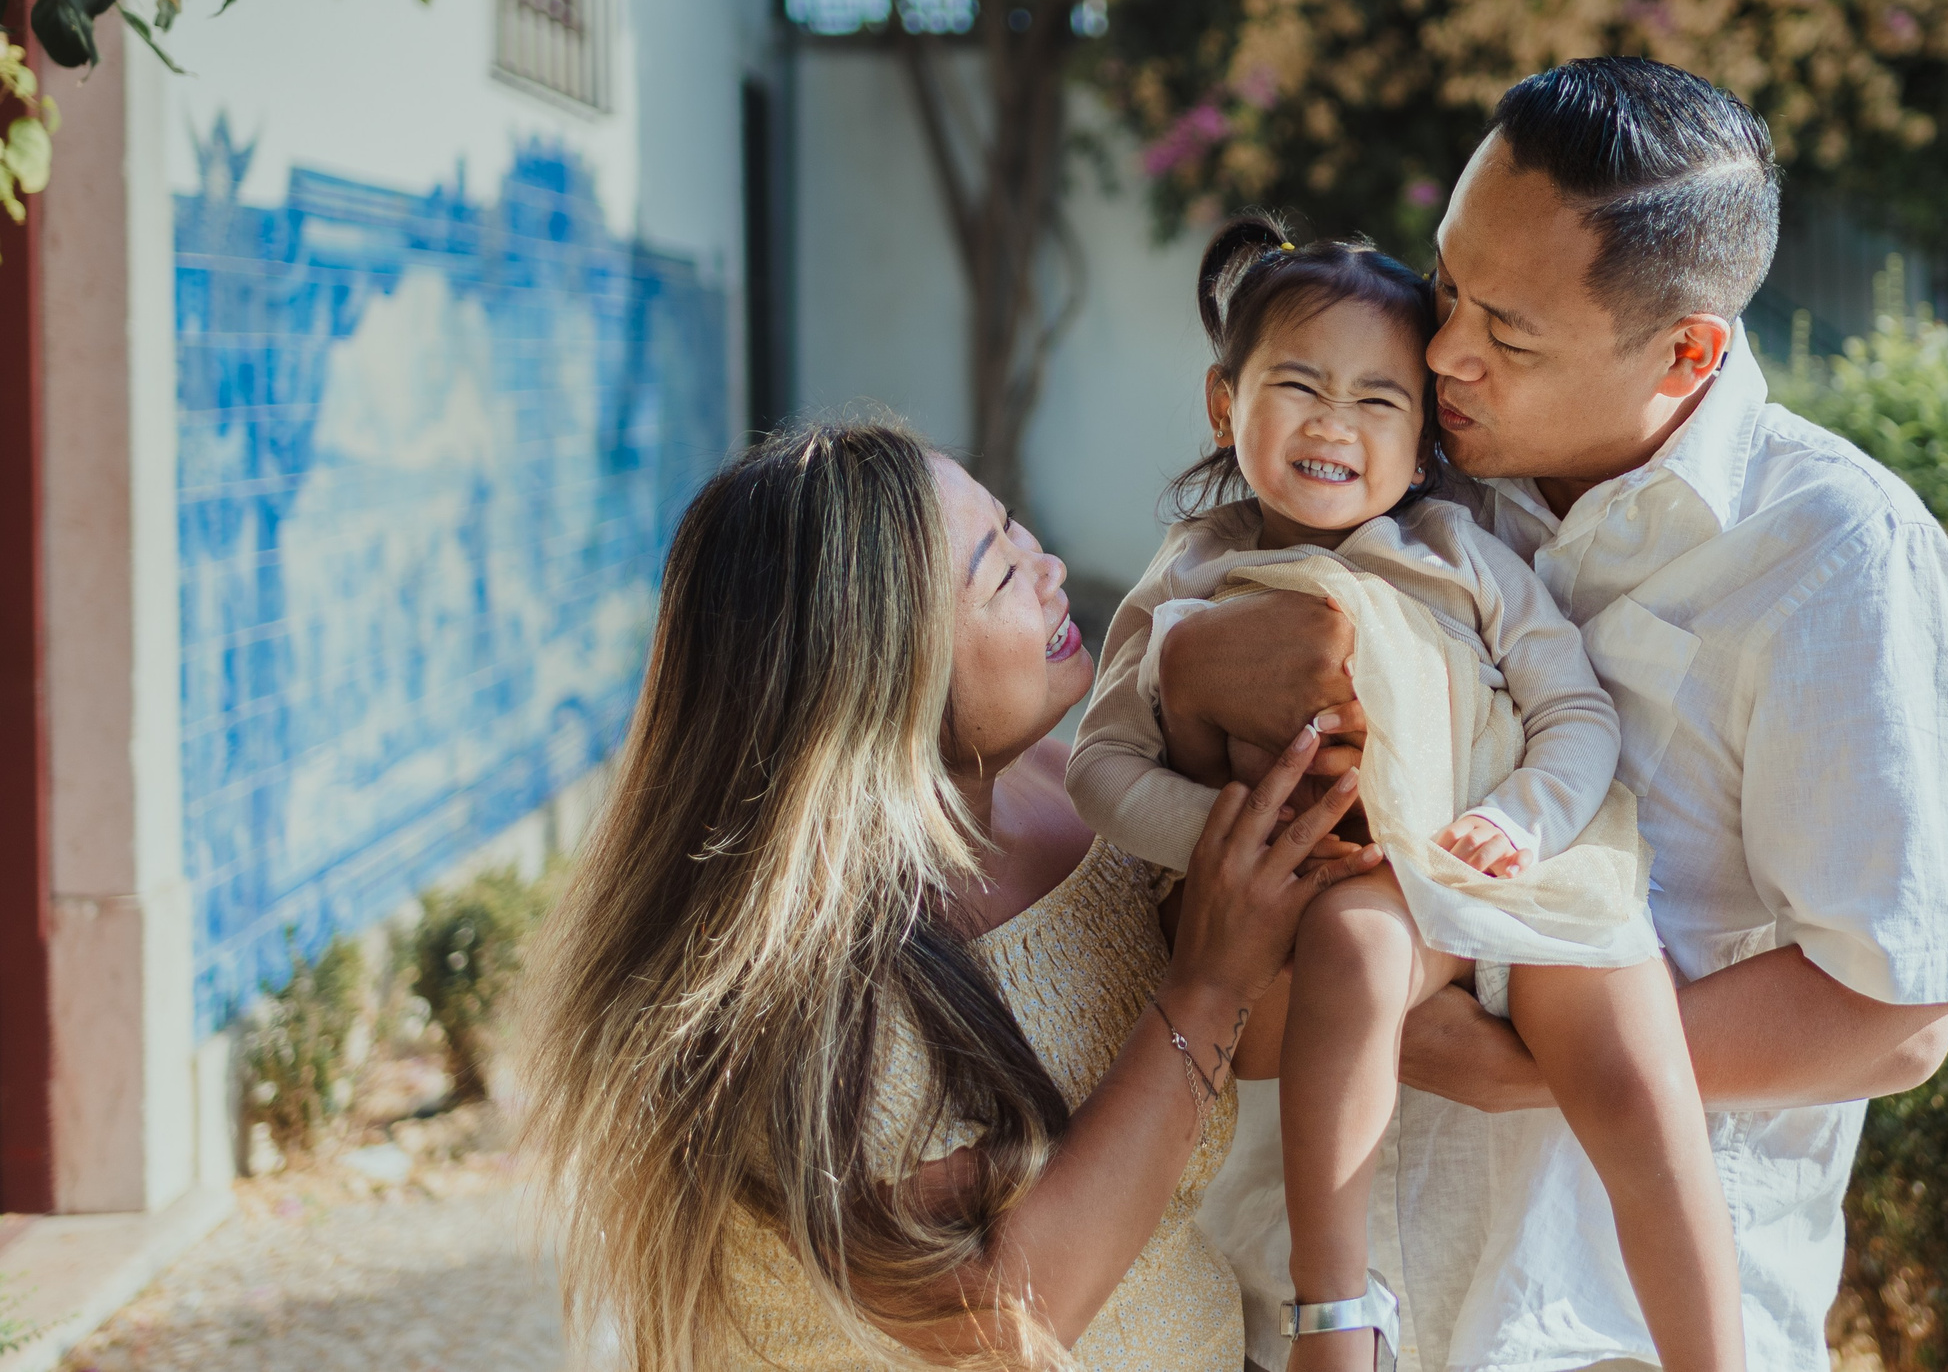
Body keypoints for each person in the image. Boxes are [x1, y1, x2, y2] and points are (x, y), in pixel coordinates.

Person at [1161, 59, 1948, 1371]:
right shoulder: (1396, 479)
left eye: (1508, 331)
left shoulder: (1833, 555)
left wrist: (1516, 1064)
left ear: (1687, 351)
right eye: (1445, 286)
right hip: (1303, 1319)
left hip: (1603, 1338)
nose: (1439, 354)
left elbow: (1893, 1012)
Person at [520, 422, 1381, 1371]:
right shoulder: (809, 1003)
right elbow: (1011, 1320)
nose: (1050, 566)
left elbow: (1248, 1045)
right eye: (1002, 575)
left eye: (1016, 531)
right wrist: (1206, 987)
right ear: (884, 676)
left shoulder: (1076, 790)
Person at [1070, 218, 1745, 1372]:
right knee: (1351, 945)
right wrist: (1239, 843)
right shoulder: (1191, 570)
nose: (1336, 421)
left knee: (1639, 1083)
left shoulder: (1459, 552)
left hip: (1523, 860)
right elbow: (1102, 763)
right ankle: (1336, 1313)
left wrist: (1520, 816)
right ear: (1225, 405)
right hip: (1370, 882)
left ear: (1423, 433)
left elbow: (1571, 713)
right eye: (1299, 385)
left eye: (1380, 400)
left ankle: (1714, 1353)